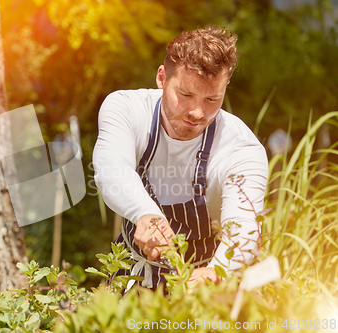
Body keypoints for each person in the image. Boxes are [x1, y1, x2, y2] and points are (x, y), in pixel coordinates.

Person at [92, 26, 268, 291]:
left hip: (205, 283)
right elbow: (112, 170)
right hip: (132, 274)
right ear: (162, 78)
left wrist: (217, 272)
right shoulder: (125, 109)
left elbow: (242, 228)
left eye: (212, 98)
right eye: (185, 95)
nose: (198, 112)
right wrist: (145, 214)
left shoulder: (242, 149)